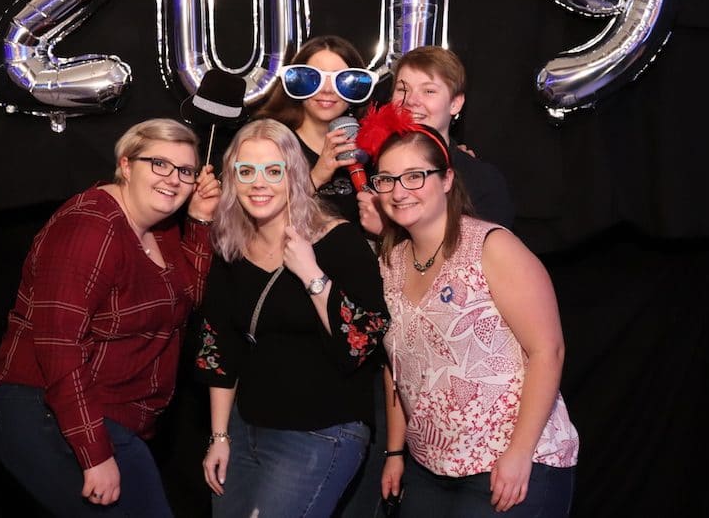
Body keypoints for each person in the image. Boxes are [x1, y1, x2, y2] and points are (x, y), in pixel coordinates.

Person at [0, 118, 221, 517]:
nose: (174, 179)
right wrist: (94, 454)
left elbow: (185, 299)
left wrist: (199, 220)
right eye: (159, 164)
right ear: (125, 165)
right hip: (43, 411)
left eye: (185, 171)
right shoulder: (90, 227)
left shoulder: (159, 229)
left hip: (105, 417)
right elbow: (60, 346)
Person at [357, 104, 579, 516]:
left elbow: (548, 351)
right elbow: (397, 367)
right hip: (429, 468)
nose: (399, 191)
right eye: (386, 179)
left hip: (509, 463)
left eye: (415, 176)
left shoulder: (492, 247)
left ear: (446, 179)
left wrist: (519, 454)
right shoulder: (389, 263)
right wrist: (395, 452)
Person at [195, 119, 389, 517]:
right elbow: (219, 349)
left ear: (294, 175)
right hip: (247, 429)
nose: (259, 184)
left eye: (273, 171)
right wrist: (219, 436)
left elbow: (360, 343)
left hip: (321, 431)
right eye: (246, 172)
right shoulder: (230, 246)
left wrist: (311, 274)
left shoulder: (338, 240)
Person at [356, 45, 514, 236]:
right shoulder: (371, 169)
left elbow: (483, 253)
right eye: (402, 89)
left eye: (429, 91)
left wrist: (387, 232)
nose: (411, 100)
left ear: (455, 103)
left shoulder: (482, 181)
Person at [253, 35, 379, 225]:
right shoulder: (269, 143)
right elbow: (260, 221)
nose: (327, 89)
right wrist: (317, 176)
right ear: (295, 82)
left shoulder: (372, 147)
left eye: (342, 80)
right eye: (312, 78)